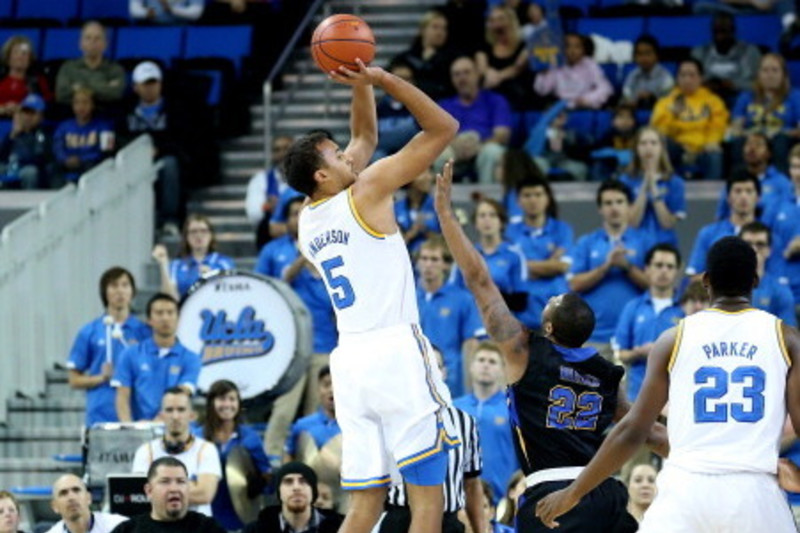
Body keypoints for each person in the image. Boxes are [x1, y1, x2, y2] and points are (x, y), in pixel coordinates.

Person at [433, 161, 665, 532]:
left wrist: (446, 215)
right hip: (604, 490)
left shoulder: (524, 350)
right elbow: (647, 432)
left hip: (552, 493)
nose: (551, 295)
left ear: (550, 325)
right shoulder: (606, 373)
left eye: (552, 300)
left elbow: (478, 278)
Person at [285, 55, 459, 533]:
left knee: (366, 504)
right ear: (323, 175)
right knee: (428, 500)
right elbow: (444, 128)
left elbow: (364, 139)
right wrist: (383, 79)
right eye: (336, 156)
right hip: (394, 350)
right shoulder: (370, 190)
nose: (348, 155)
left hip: (350, 362)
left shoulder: (307, 219)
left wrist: (358, 84)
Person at [536, 236, 800, 532]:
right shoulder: (787, 338)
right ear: (755, 280)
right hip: (755, 492)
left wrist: (572, 493)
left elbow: (633, 430)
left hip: (686, 492)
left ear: (705, 280)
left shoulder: (672, 339)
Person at [565, 180, 650, 360]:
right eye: (608, 203)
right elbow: (574, 283)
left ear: (629, 206)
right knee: (590, 389)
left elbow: (655, 284)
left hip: (634, 338)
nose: (614, 208)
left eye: (620, 202)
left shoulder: (644, 241)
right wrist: (605, 267)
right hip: (594, 336)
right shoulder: (587, 242)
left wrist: (626, 267)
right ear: (600, 209)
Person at [67, 267, 150, 427]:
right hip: (100, 414)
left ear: (133, 291)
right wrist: (101, 377)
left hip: (138, 413)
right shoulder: (89, 331)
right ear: (104, 292)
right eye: (113, 286)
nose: (120, 291)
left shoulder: (144, 331)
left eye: (125, 285)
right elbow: (73, 380)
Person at [132, 388, 222, 517]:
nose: (175, 416)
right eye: (169, 410)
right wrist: (191, 485)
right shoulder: (145, 451)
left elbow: (205, 494)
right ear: (161, 415)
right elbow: (139, 495)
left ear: (192, 415)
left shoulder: (207, 449)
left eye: (181, 409)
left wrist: (160, 488)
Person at [112, 293, 201, 422]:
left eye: (170, 313)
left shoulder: (191, 358)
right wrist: (130, 429)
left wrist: (155, 423)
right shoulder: (130, 354)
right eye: (159, 313)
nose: (165, 318)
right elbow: (122, 397)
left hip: (176, 429)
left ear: (178, 318)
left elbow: (181, 394)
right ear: (149, 319)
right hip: (140, 430)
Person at [120, 61, 185, 235]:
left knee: (170, 164)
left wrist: (159, 150)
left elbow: (181, 138)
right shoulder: (125, 112)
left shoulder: (174, 109)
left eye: (153, 83)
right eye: (145, 84)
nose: (149, 88)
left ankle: (170, 219)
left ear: (160, 84)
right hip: (134, 159)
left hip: (163, 158)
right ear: (135, 87)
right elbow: (119, 139)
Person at [614, 243, 684, 403]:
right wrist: (639, 353)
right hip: (637, 394)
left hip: (675, 397)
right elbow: (619, 353)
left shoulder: (685, 310)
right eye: (658, 265)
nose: (664, 271)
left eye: (670, 266)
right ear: (647, 269)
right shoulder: (632, 307)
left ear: (677, 272)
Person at [416, 236, 485, 396]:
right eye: (424, 258)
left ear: (446, 265)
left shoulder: (462, 299)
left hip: (450, 380)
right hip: (414, 376)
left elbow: (471, 343)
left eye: (434, 259)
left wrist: (469, 386)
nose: (428, 265)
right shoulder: (407, 298)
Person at [503, 176, 573, 331]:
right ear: (518, 201)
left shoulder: (562, 230)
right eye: (527, 195)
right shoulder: (508, 232)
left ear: (547, 198)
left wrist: (524, 265)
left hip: (557, 315)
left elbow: (562, 266)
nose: (533, 200)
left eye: (538, 194)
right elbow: (507, 268)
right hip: (520, 317)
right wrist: (549, 265)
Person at [199, 380, 270, 530]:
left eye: (232, 399)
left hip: (240, 515)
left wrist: (258, 483)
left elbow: (266, 475)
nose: (227, 405)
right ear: (211, 403)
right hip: (205, 514)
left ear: (238, 403)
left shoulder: (251, 437)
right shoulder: (198, 436)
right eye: (221, 399)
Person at [453, 342, 519, 503]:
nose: (485, 366)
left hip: (502, 497)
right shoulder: (454, 407)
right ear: (471, 367)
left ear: (503, 370)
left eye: (492, 362)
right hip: (459, 496)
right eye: (481, 360)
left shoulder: (513, 408)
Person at [437, 55, 513, 184]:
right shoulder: (444, 105)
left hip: (484, 146)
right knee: (438, 155)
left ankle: (489, 200)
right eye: (456, 74)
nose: (462, 78)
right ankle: (440, 201)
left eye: (467, 72)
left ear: (477, 74)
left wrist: (479, 146)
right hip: (455, 148)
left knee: (492, 152)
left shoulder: (496, 101)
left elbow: (502, 134)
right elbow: (437, 136)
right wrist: (455, 145)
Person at [651, 58, 729, 181]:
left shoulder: (714, 101)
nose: (687, 79)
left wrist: (710, 142)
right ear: (677, 78)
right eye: (683, 75)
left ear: (701, 78)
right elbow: (659, 132)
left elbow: (718, 126)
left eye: (692, 75)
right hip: (677, 148)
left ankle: (712, 195)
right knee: (664, 146)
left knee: (715, 154)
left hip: (703, 148)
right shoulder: (665, 102)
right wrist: (672, 116)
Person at [450, 197, 527, 315]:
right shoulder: (464, 254)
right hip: (470, 321)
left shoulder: (514, 255)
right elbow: (453, 294)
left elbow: (521, 302)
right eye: (482, 215)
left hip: (504, 322)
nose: (487, 220)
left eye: (492, 215)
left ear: (501, 222)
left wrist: (483, 295)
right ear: (475, 223)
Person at [110, 457, 226, 533]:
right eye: (165, 482)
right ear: (149, 490)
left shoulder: (208, 528)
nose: (174, 489)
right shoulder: (127, 530)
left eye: (181, 482)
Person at [283, 366, 342, 510]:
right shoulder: (302, 425)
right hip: (311, 501)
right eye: (326, 384)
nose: (331, 390)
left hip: (348, 498)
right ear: (318, 389)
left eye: (338, 384)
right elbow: (289, 457)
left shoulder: (357, 425)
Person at [729, 53, 800, 172]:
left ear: (783, 75)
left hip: (783, 139)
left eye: (775, 70)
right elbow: (736, 128)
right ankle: (741, 182)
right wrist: (751, 136)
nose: (770, 75)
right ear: (759, 75)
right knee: (738, 144)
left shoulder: (795, 97)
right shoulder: (746, 96)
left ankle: (781, 183)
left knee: (780, 142)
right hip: (753, 137)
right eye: (765, 71)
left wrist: (780, 133)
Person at [619, 126, 686, 247]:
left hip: (665, 246)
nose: (648, 147)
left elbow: (667, 223)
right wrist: (645, 185)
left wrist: (654, 188)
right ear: (636, 149)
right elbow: (632, 222)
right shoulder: (625, 181)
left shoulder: (675, 183)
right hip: (634, 246)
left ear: (661, 148)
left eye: (653, 143)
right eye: (643, 143)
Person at [686, 170, 760, 277]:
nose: (743, 197)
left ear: (758, 197)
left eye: (749, 191)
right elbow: (693, 275)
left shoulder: (767, 235)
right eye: (738, 191)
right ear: (728, 197)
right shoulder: (708, 233)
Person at [243, 462, 344, 533]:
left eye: (303, 481)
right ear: (279, 491)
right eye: (288, 482)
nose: (296, 487)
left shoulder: (342, 527)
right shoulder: (255, 530)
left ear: (313, 491)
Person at [152, 215, 235, 300]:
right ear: (186, 237)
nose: (198, 235)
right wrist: (163, 264)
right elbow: (169, 299)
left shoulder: (224, 262)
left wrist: (212, 278)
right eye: (193, 231)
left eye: (203, 231)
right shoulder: (176, 265)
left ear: (211, 235)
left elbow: (231, 294)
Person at [715, 132, 792, 223]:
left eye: (758, 145)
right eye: (748, 144)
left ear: (768, 153)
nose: (752, 149)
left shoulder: (782, 183)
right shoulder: (735, 180)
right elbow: (721, 216)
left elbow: (788, 215)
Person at [691, 12, 762, 106]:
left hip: (741, 99)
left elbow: (759, 84)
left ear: (733, 31)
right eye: (716, 31)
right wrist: (706, 84)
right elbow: (689, 80)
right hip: (705, 99)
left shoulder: (749, 52)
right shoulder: (699, 52)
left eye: (724, 31)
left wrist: (733, 85)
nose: (720, 36)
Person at [392, 10, 459, 101]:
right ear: (422, 30)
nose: (440, 32)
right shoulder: (406, 58)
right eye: (435, 27)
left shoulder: (453, 59)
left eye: (444, 28)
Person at [533, 33, 613, 110]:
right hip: (559, 109)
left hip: (584, 107)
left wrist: (587, 99)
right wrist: (544, 72)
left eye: (577, 47)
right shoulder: (554, 64)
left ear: (583, 50)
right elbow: (542, 91)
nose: (572, 51)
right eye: (568, 46)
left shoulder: (590, 65)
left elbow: (606, 88)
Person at [55, 21, 125, 108]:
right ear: (80, 43)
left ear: (105, 44)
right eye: (88, 38)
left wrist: (79, 88)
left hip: (105, 116)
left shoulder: (115, 69)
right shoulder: (68, 68)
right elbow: (61, 96)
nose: (92, 42)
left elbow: (115, 95)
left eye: (97, 38)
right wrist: (103, 87)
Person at [739, 221, 797, 326]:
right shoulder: (720, 289)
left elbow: (787, 336)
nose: (753, 250)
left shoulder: (781, 293)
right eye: (747, 244)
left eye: (760, 244)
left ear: (768, 251)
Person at [52, 88, 115, 184]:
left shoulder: (105, 126)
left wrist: (82, 160)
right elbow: (57, 147)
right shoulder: (63, 126)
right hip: (67, 168)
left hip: (92, 169)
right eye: (77, 103)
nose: (81, 107)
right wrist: (65, 159)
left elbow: (107, 152)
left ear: (93, 105)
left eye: (85, 102)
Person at [476, 6, 533, 112]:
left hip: (515, 96)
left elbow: (517, 69)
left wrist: (497, 77)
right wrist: (489, 73)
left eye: (501, 19)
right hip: (490, 92)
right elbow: (482, 69)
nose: (496, 24)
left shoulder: (523, 46)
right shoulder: (484, 45)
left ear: (511, 22)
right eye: (492, 20)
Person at [245, 134, 293, 249]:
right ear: (272, 155)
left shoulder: (307, 178)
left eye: (286, 148)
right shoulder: (260, 180)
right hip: (270, 240)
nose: (282, 154)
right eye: (277, 150)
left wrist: (278, 205)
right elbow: (254, 214)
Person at [45, 474, 127, 533]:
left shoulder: (118, 525)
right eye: (63, 493)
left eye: (76, 490)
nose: (71, 497)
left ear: (88, 498)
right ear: (54, 506)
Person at [0, 94, 51, 189]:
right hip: (11, 167)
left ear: (40, 116)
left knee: (30, 172)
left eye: (32, 113)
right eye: (25, 112)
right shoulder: (13, 132)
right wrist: (13, 135)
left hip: (28, 169)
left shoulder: (42, 134)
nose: (28, 117)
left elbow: (40, 158)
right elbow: (2, 156)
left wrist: (19, 162)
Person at [0, 35, 51, 117]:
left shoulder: (38, 82)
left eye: (24, 53)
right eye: (16, 52)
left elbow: (46, 106)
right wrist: (3, 109)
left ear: (30, 59)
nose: (20, 57)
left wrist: (22, 109)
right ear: (8, 57)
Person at [622, 35, 674, 110]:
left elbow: (669, 103)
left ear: (656, 55)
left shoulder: (666, 78)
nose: (644, 58)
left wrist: (652, 98)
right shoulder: (632, 76)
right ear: (635, 57)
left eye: (648, 53)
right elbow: (627, 96)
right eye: (640, 54)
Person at [395, 167, 441, 254]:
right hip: (403, 259)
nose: (429, 177)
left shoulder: (439, 206)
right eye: (423, 173)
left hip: (432, 260)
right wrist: (412, 233)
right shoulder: (396, 208)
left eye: (430, 173)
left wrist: (426, 231)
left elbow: (448, 242)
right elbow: (393, 244)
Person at [130, 0, 205, 24]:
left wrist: (172, 10)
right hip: (149, 26)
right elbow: (134, 11)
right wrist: (149, 13)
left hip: (182, 28)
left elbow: (196, 13)